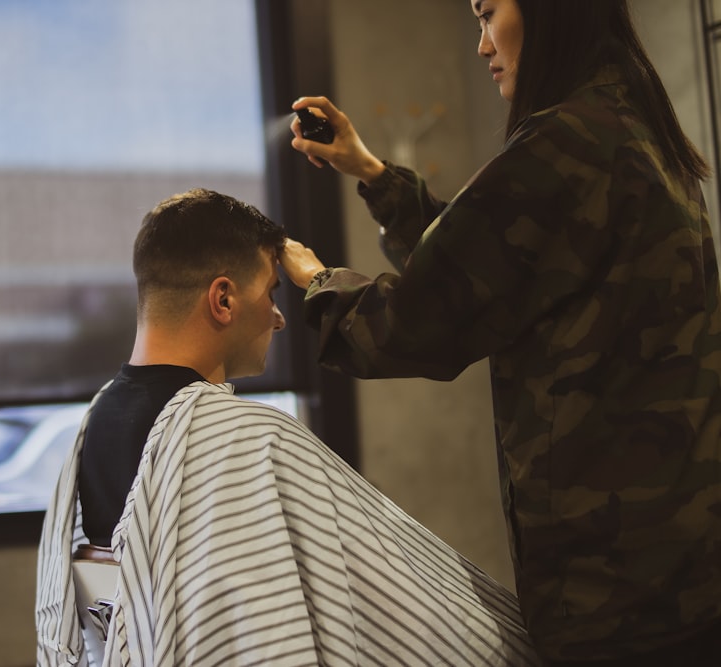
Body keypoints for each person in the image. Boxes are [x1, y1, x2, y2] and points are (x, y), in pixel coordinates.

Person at [279, 1, 721, 665]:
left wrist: (314, 280)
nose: (482, 43)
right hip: (688, 568)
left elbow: (417, 321)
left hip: (616, 597)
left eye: (488, 13)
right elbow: (492, 262)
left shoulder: (561, 145)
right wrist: (373, 173)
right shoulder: (631, 124)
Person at [36, 188, 540, 665]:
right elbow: (397, 608)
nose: (278, 318)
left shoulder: (95, 424)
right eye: (272, 292)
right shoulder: (246, 438)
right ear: (224, 300)